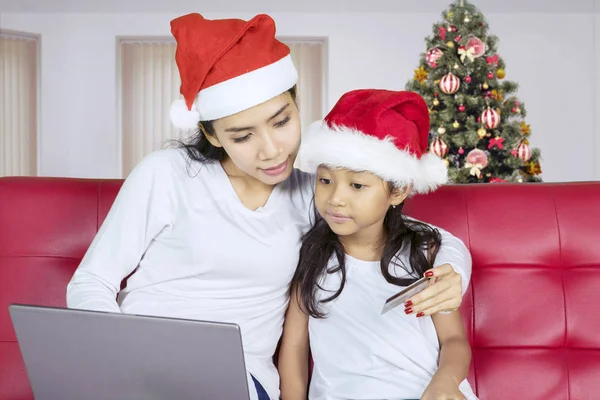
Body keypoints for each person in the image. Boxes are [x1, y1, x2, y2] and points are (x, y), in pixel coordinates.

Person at [66, 13, 471, 400]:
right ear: (212, 133)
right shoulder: (166, 173)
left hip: (236, 377)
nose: (273, 150)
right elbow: (91, 282)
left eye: (281, 122)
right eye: (243, 136)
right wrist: (117, 357)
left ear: (297, 104)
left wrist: (454, 270)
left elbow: (397, 224)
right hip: (139, 363)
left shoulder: (308, 194)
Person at [278, 89, 477, 400]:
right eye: (325, 180)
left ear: (397, 192)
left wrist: (446, 381)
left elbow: (453, 339)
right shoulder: (312, 255)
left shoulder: (422, 254)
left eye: (357, 185)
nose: (336, 198)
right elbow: (294, 348)